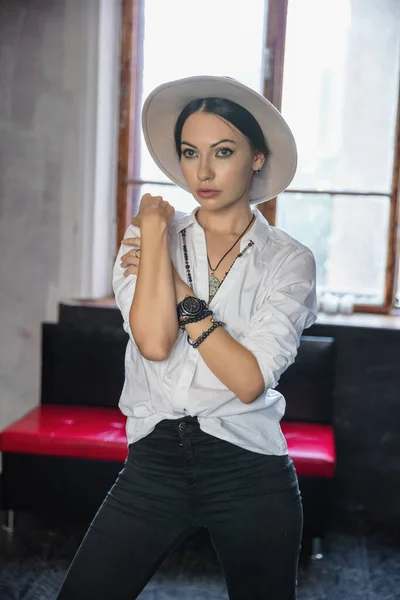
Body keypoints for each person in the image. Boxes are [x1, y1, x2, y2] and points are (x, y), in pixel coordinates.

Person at [57, 75, 317, 600]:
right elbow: (154, 342)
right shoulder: (149, 235)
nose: (202, 171)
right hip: (154, 464)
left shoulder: (290, 260)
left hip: (250, 471)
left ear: (257, 157)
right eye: (189, 152)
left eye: (223, 151)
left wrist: (173, 280)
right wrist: (154, 234)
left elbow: (247, 381)